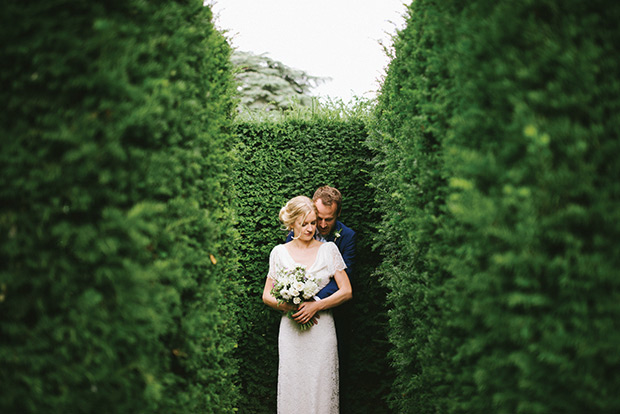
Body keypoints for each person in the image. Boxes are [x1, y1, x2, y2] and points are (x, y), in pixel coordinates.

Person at [263, 196, 353, 414]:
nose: (311, 228)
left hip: (320, 330)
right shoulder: (279, 252)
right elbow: (267, 295)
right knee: (293, 383)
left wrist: (316, 306)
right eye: (305, 224)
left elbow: (346, 291)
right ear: (292, 223)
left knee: (320, 384)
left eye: (313, 223)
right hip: (291, 330)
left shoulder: (329, 249)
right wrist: (290, 306)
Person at [286, 186, 356, 299]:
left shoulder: (348, 237)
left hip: (329, 302)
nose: (323, 225)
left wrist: (314, 300)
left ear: (338, 213)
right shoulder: (297, 233)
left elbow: (346, 277)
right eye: (319, 218)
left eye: (329, 219)